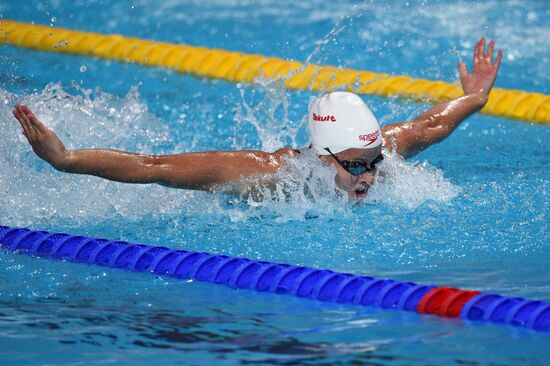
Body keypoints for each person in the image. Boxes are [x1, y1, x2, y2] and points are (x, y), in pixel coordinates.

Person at [12, 38, 502, 200]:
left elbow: (430, 126)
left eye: (373, 162)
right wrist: (66, 160)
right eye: (355, 166)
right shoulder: (265, 176)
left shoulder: (378, 151)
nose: (369, 177)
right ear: (321, 153)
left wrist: (474, 98)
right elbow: (153, 166)